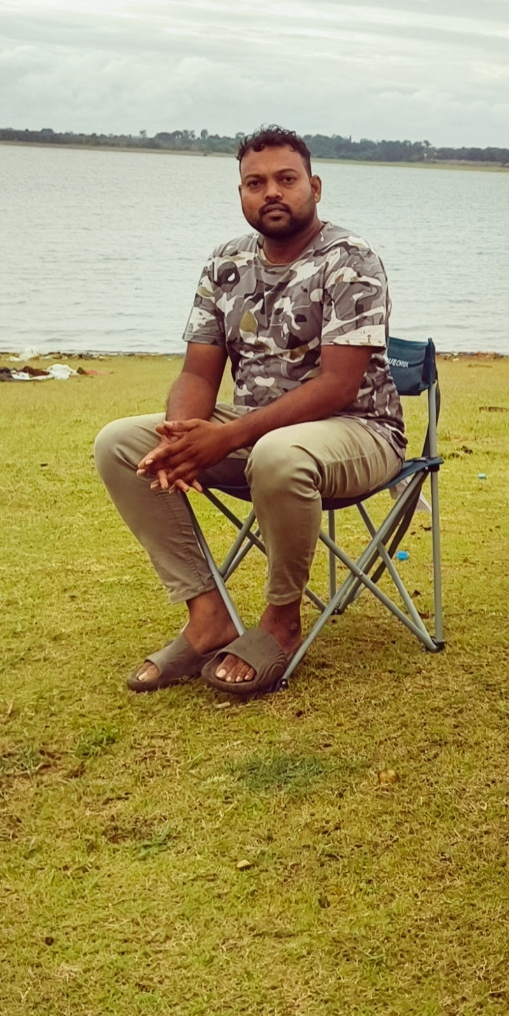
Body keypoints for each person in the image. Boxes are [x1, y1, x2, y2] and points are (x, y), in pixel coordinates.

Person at [93, 126, 405, 696]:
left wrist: (228, 436)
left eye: (286, 179)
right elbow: (197, 373)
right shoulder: (226, 262)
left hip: (359, 431)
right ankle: (207, 617)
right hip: (257, 435)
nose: (272, 193)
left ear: (314, 186)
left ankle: (281, 621)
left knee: (278, 454)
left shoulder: (350, 259)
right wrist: (181, 435)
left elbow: (338, 386)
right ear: (241, 193)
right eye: (255, 183)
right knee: (121, 443)